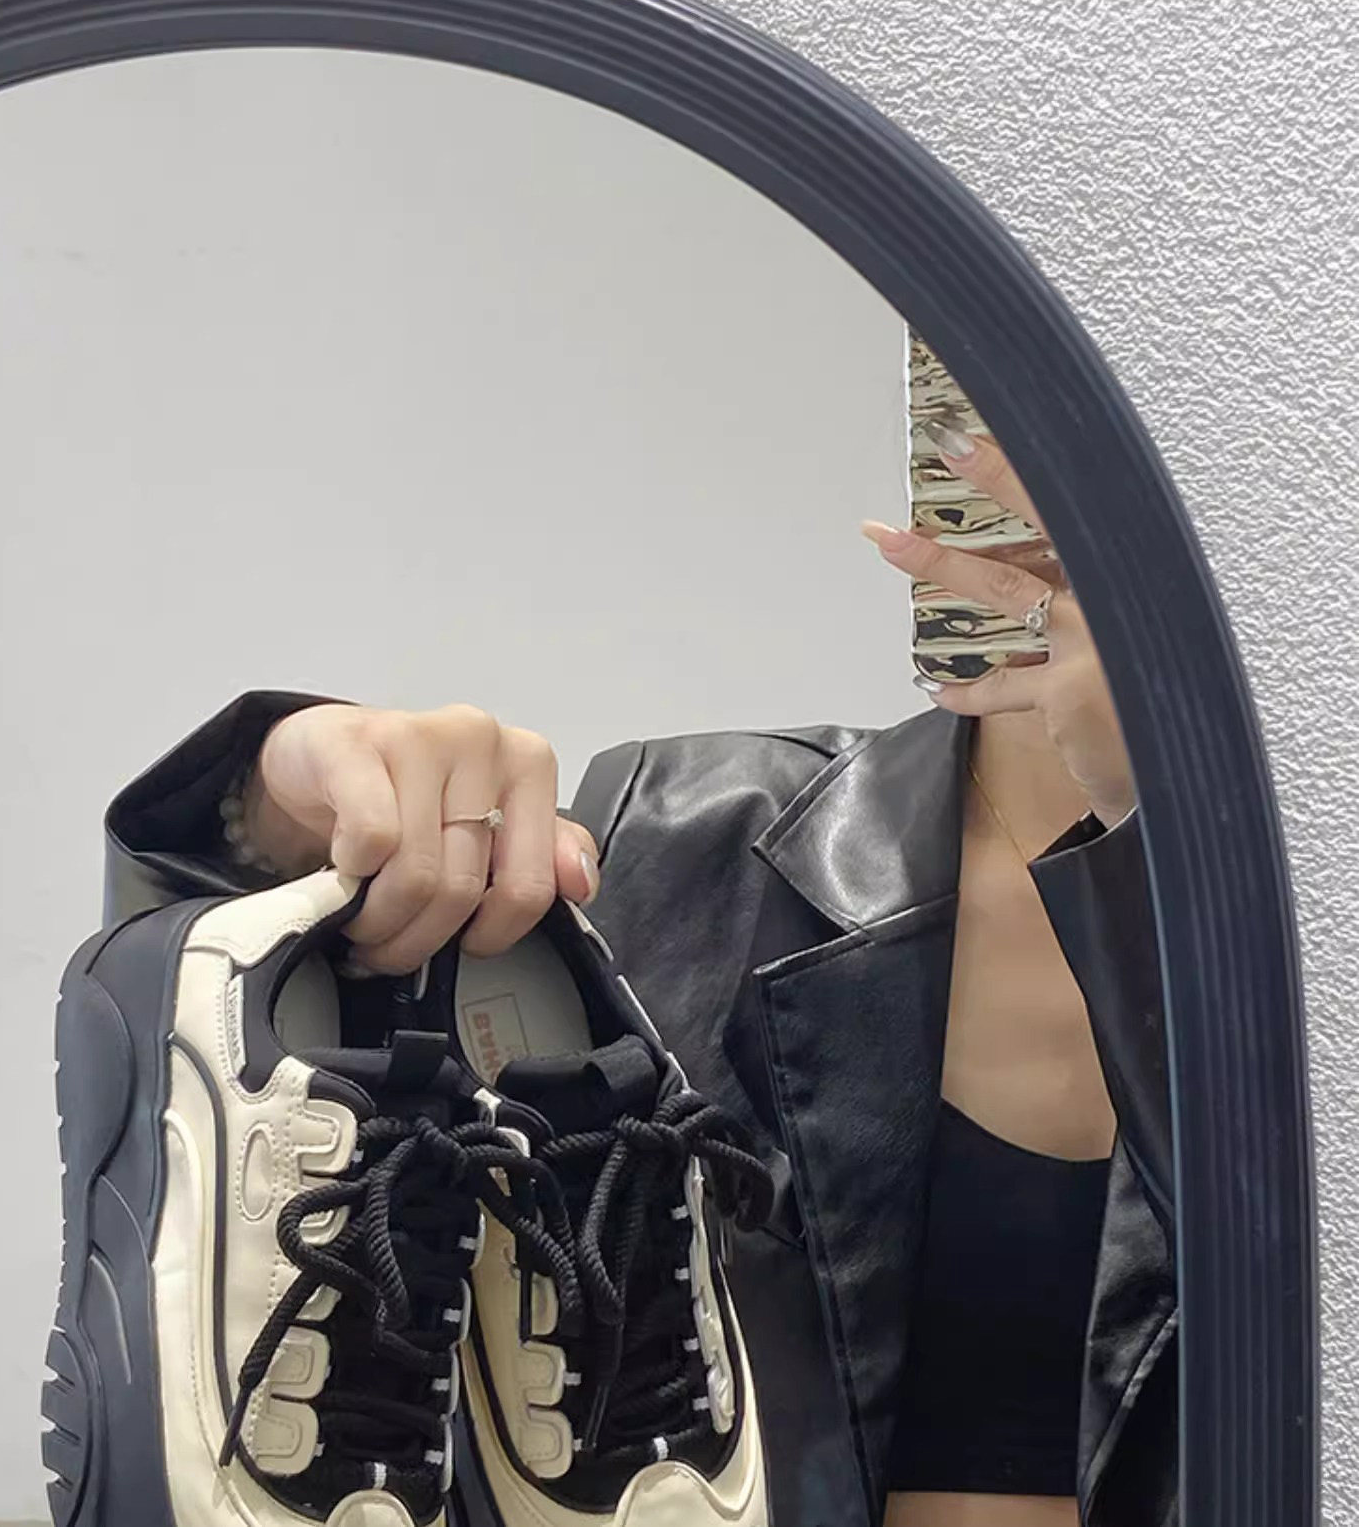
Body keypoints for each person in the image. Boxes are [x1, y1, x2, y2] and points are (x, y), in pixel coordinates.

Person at [103, 429, 1175, 1527]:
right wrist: (271, 806)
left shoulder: (1285, 961)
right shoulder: (690, 832)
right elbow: (208, 1087)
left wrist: (1167, 837)